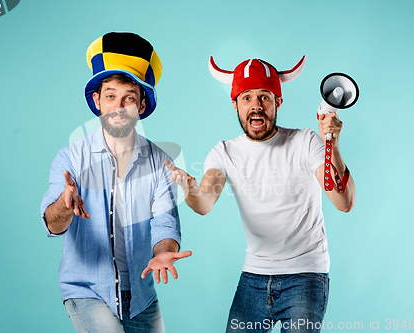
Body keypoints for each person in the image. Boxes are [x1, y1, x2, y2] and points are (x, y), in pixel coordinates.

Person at [166, 56, 355, 332]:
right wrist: (189, 187)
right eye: (247, 98)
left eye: (264, 97)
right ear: (235, 105)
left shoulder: (305, 142)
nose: (256, 106)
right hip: (254, 276)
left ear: (278, 102)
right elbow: (204, 203)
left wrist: (332, 145)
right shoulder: (225, 152)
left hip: (306, 274)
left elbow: (344, 201)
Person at [40, 32, 191, 333]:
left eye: (129, 98)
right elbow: (53, 224)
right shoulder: (71, 158)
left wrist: (163, 252)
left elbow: (165, 224)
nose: (118, 107)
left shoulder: (159, 161)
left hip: (141, 296)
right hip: (86, 290)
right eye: (110, 96)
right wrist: (65, 205)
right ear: (97, 101)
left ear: (141, 106)